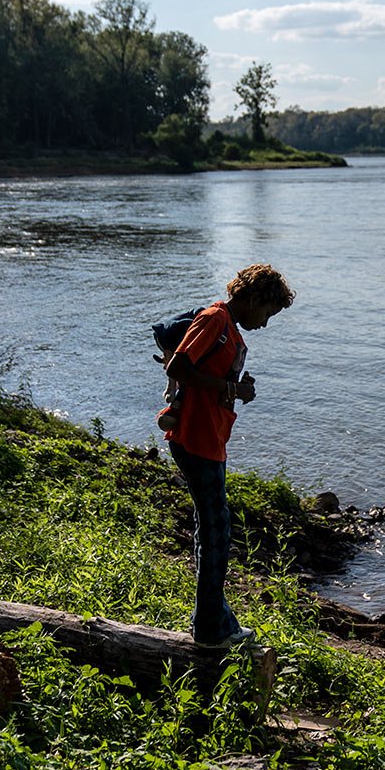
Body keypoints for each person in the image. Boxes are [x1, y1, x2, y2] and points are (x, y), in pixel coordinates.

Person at [162, 263, 294, 648]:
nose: (266, 323)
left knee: (212, 531)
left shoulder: (229, 328)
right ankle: (210, 630)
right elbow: (179, 366)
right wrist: (226, 385)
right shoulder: (215, 320)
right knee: (217, 533)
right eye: (267, 313)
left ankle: (215, 621)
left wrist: (237, 389)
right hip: (195, 439)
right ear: (253, 298)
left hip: (210, 439)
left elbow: (210, 380)